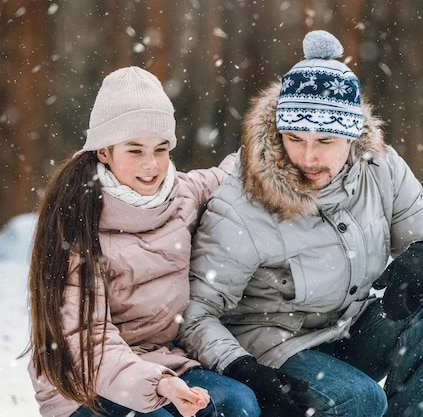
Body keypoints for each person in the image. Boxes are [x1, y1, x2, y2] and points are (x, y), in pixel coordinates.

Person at [178, 30, 423, 417]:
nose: (308, 157)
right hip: (273, 348)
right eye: (295, 138)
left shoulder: (381, 169)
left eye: (325, 140)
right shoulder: (244, 201)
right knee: (362, 399)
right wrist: (242, 368)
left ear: (352, 136)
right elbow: (196, 314)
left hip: (350, 329)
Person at [24, 66, 259, 417]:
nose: (151, 165)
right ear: (104, 151)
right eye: (135, 151)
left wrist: (280, 136)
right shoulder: (75, 222)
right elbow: (87, 343)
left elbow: (232, 174)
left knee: (238, 405)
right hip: (83, 378)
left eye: (160, 149)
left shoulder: (181, 195)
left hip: (163, 359)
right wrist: (159, 384)